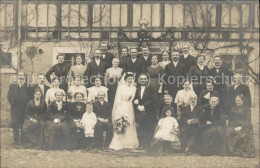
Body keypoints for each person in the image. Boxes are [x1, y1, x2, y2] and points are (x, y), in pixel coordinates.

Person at [109, 72, 139, 150]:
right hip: (122, 106)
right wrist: (119, 109)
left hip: (130, 107)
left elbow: (135, 98)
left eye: (131, 79)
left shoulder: (134, 88)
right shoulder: (121, 88)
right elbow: (118, 99)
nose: (130, 80)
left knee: (130, 123)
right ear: (125, 79)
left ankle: (129, 142)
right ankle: (120, 142)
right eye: (128, 78)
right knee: (121, 122)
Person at [133, 73, 157, 150]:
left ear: (147, 79)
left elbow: (153, 99)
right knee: (141, 128)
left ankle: (148, 145)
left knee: (149, 128)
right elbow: (136, 99)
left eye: (144, 79)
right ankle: (141, 144)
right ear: (139, 80)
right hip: (140, 112)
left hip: (149, 111)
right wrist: (136, 103)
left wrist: (144, 106)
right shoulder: (138, 88)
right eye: (141, 79)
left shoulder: (152, 87)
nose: (143, 80)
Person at [7, 71, 30, 146]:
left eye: (22, 75)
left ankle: (23, 141)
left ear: (24, 76)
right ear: (17, 76)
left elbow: (29, 97)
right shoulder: (12, 86)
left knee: (23, 125)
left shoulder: (27, 86)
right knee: (15, 125)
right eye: (19, 75)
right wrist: (13, 105)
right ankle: (16, 142)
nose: (21, 77)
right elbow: (9, 97)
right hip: (15, 109)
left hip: (24, 109)